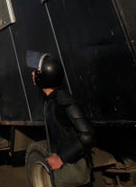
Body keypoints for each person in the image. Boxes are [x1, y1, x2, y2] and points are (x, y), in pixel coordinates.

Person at [28, 52, 95, 187]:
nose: (32, 74)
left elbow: (87, 135)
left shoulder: (62, 100)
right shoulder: (51, 101)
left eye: (36, 72)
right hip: (65, 172)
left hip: (72, 171)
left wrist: (61, 158)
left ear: (45, 75)